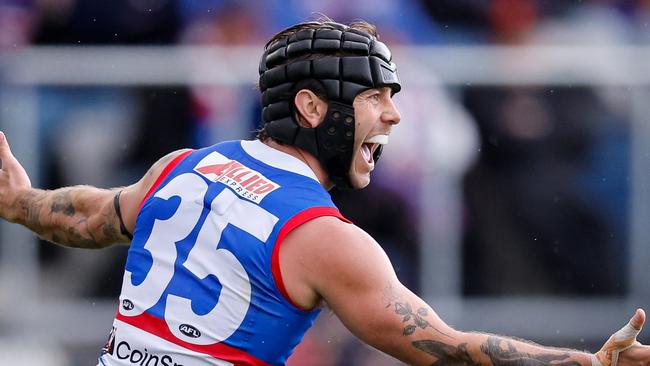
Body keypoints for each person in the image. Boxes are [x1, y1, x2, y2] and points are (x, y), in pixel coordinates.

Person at [0, 18, 647, 366]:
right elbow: (448, 349)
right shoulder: (322, 238)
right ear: (311, 106)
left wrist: (19, 201)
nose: (393, 117)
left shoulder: (184, 167)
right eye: (375, 99)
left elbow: (82, 217)